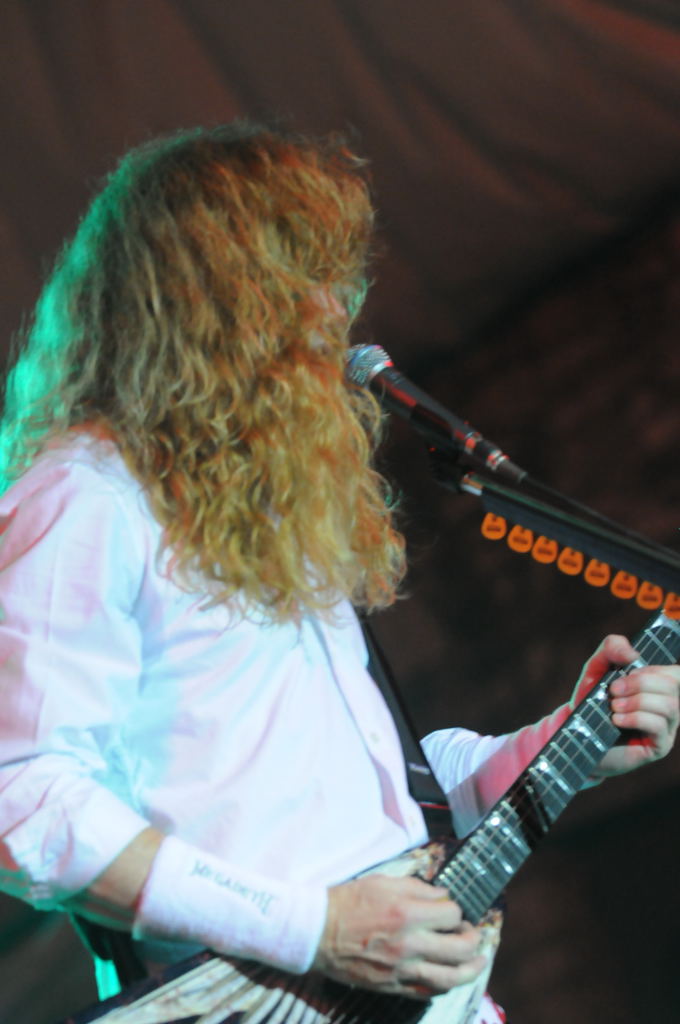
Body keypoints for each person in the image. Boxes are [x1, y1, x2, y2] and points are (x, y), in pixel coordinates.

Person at [0, 123, 677, 1024]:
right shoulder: (85, 498)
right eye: (305, 276)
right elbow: (24, 800)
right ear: (212, 297)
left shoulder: (273, 514)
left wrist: (564, 744)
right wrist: (315, 930)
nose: (337, 308)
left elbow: (386, 814)